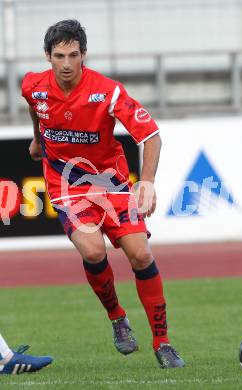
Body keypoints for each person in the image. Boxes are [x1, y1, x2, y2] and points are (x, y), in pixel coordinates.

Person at [21, 19, 184, 369]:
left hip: (112, 184)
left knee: (140, 254)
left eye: (74, 55)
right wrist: (38, 138)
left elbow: (151, 136)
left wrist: (148, 181)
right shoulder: (33, 85)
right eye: (59, 55)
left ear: (84, 55)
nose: (67, 63)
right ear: (47, 56)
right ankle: (117, 317)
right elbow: (35, 107)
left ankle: (163, 342)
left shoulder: (107, 91)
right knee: (93, 250)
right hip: (66, 184)